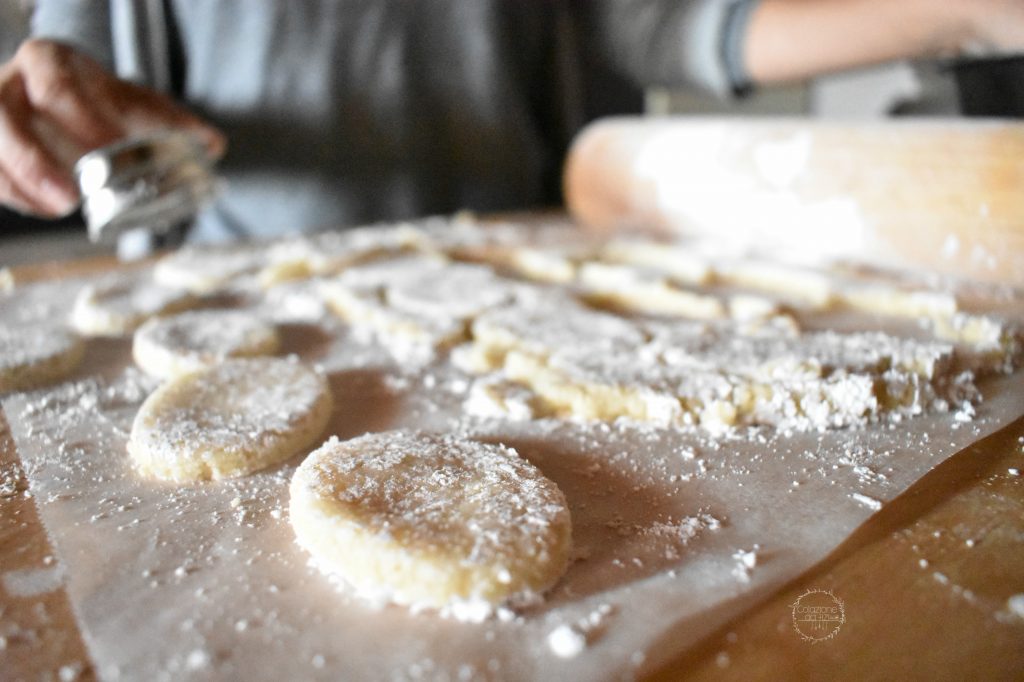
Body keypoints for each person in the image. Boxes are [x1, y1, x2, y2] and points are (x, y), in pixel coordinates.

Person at [1, 0, 1022, 243]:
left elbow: (669, 27)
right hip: (252, 292)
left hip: (517, 270)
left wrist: (965, 12)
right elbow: (65, 68)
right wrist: (42, 94)